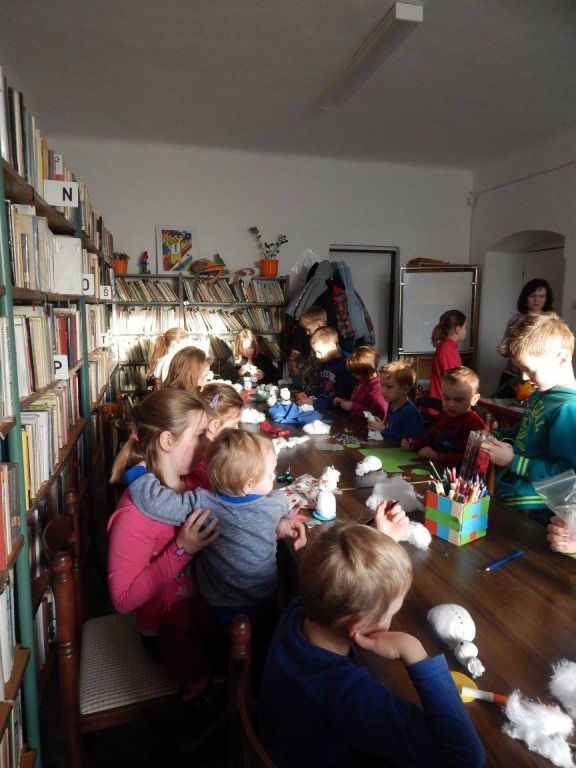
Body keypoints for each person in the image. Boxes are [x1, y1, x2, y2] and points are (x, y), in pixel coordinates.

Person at [258, 515, 485, 768]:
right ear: (358, 628)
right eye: (392, 613)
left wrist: (379, 545)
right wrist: (414, 652)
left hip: (285, 739)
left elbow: (337, 580)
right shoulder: (351, 697)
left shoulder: (299, 611)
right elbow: (466, 758)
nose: (392, 618)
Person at [124, 428, 307, 626]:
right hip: (264, 595)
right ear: (248, 484)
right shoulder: (275, 503)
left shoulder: (204, 503)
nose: (274, 477)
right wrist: (282, 523)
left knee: (221, 636)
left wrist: (139, 476)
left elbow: (160, 503)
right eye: (270, 473)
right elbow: (275, 512)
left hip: (219, 602)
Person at [107, 388, 219, 698]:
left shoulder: (195, 479)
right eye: (199, 435)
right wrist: (182, 549)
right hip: (167, 633)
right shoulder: (134, 514)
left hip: (201, 607)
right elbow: (122, 599)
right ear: (167, 441)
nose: (207, 442)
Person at [485, 312, 576, 525]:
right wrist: (495, 436)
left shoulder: (568, 409)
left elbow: (567, 474)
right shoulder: (541, 394)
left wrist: (512, 461)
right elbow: (524, 432)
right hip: (515, 498)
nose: (525, 377)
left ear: (562, 358)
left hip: (538, 509)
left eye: (530, 370)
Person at [402, 366, 486, 470]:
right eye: (446, 398)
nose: (450, 404)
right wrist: (414, 444)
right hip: (435, 467)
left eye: (458, 400)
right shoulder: (444, 415)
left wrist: (437, 456)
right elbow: (431, 437)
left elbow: (473, 461)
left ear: (474, 399)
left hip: (457, 476)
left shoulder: (475, 425)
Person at [496, 278, 554, 398]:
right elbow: (504, 349)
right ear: (525, 297)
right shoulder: (515, 320)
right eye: (532, 296)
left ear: (546, 298)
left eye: (541, 296)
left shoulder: (551, 323)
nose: (537, 300)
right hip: (512, 376)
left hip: (538, 379)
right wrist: (505, 349)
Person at [188, 381, 245, 488]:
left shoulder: (203, 447)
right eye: (234, 424)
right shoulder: (207, 460)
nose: (237, 428)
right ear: (214, 425)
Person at [296, 325, 356, 411]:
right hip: (324, 408)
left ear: (332, 346)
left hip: (338, 412)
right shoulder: (324, 362)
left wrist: (314, 403)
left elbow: (341, 399)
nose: (317, 356)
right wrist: (308, 394)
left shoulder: (345, 364)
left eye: (319, 352)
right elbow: (320, 388)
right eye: (315, 352)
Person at [367, 361, 423, 445]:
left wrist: (383, 430)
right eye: (382, 385)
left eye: (389, 387)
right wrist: (379, 426)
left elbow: (411, 442)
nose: (383, 391)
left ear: (405, 389)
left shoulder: (410, 412)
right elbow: (393, 431)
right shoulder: (392, 405)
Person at [333, 345, 388, 421]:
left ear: (370, 370)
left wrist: (353, 407)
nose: (354, 375)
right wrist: (343, 402)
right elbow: (358, 403)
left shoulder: (378, 389)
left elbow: (378, 417)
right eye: (353, 372)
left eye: (357, 373)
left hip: (367, 428)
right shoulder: (361, 382)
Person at [429, 310, 467, 410]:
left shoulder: (447, 347)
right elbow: (453, 382)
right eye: (465, 328)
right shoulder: (447, 350)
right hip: (442, 409)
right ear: (458, 329)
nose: (465, 331)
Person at [288, 305, 326, 391]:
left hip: (318, 385)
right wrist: (299, 357)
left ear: (319, 324)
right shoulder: (316, 342)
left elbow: (316, 368)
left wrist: (300, 359)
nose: (307, 333)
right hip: (313, 381)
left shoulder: (322, 344)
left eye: (308, 329)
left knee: (296, 383)